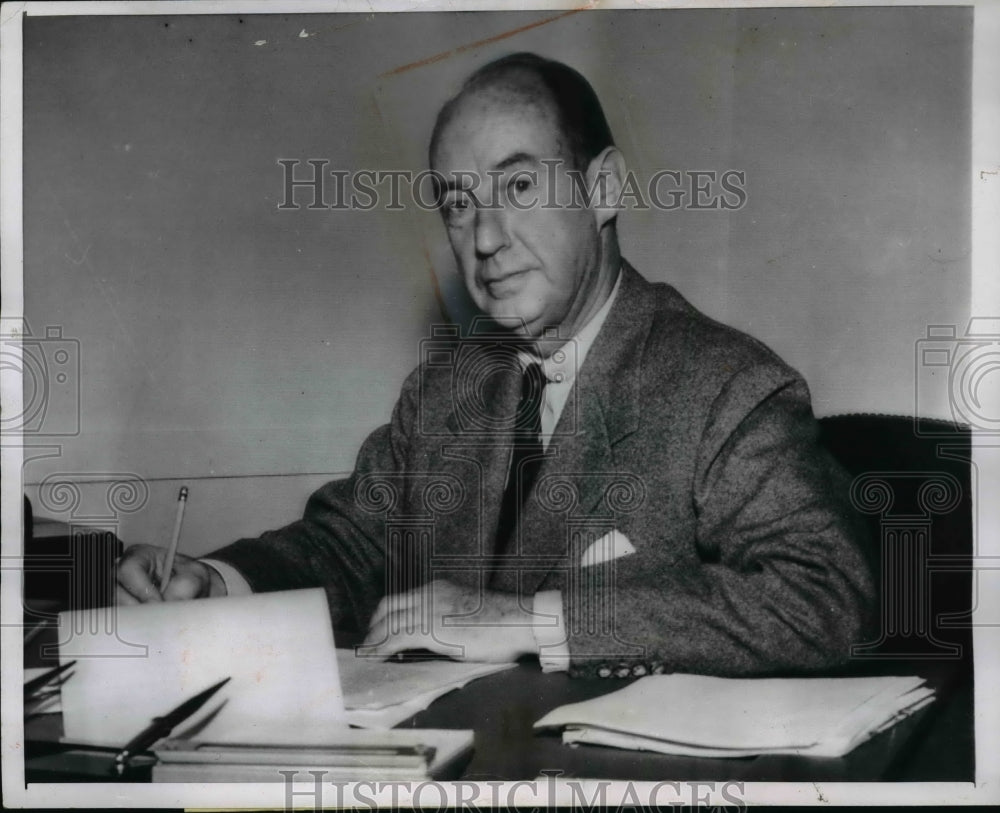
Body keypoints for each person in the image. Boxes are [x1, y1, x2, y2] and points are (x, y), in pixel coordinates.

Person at [116, 52, 874, 679]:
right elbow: (351, 545)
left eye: (518, 186)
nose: (483, 239)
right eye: (457, 203)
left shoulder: (724, 386)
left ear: (603, 188)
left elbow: (829, 597)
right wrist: (217, 583)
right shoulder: (445, 392)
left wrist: (530, 621)